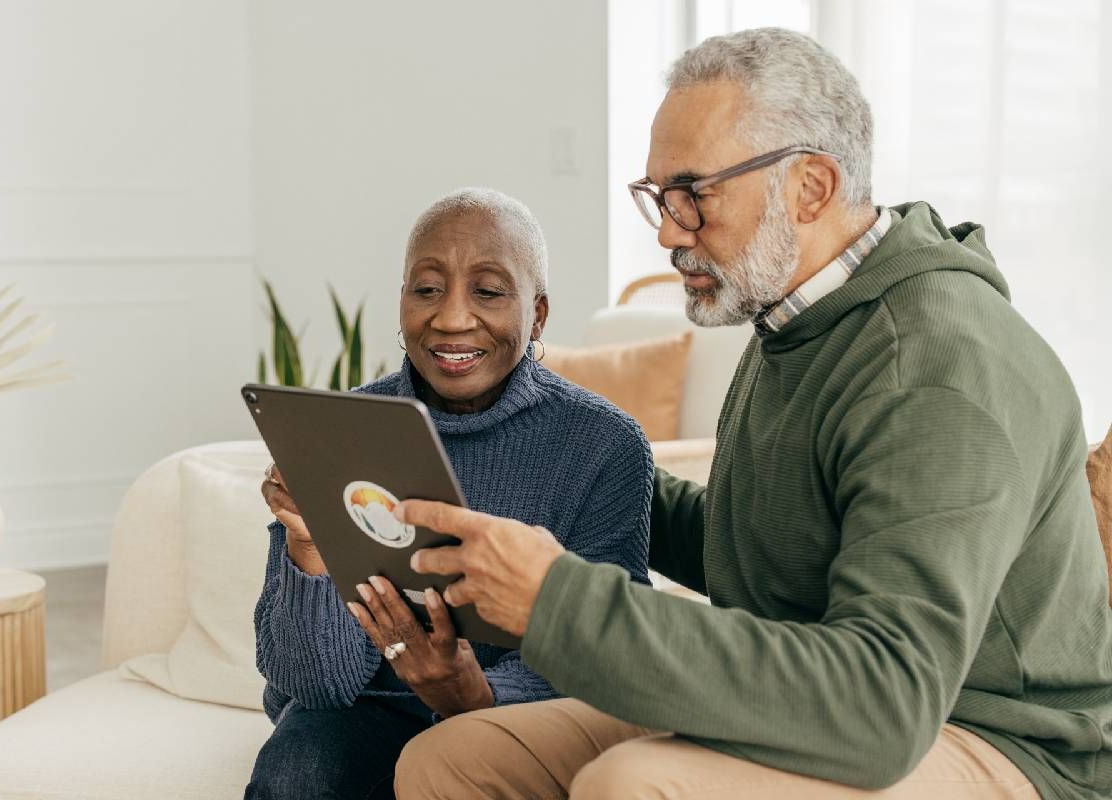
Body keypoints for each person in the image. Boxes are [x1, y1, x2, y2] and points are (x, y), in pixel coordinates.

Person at [391, 28, 1112, 800]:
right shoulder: (797, 320)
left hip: (991, 738)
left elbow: (883, 704)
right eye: (659, 197)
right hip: (808, 697)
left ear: (811, 186)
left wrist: (556, 600)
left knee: (635, 783)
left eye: (695, 194)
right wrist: (558, 467)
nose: (669, 231)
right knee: (455, 758)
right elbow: (770, 555)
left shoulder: (935, 366)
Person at [243, 187, 653, 799]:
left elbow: (606, 655)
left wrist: (473, 693)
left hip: (515, 717)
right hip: (366, 709)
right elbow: (313, 683)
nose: (451, 317)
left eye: (487, 291)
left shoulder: (603, 444)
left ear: (537, 314)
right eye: (427, 289)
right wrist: (310, 553)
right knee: (294, 777)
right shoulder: (343, 428)